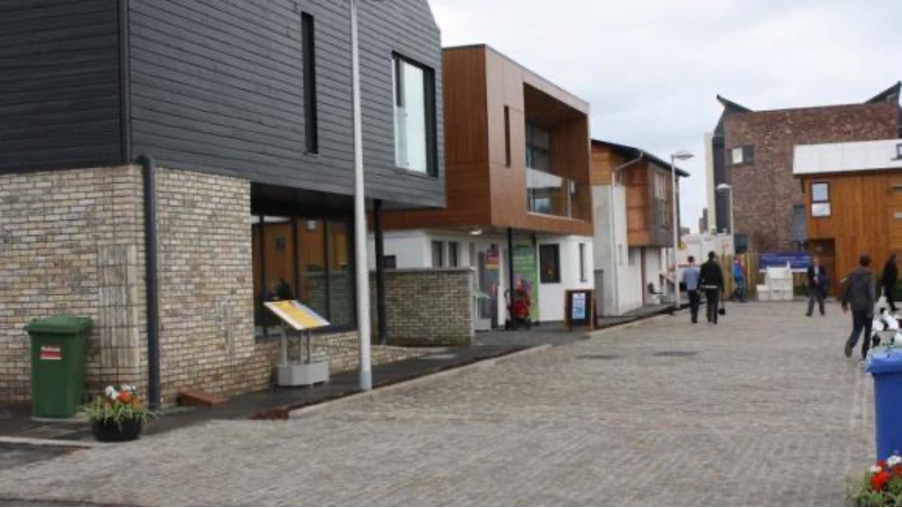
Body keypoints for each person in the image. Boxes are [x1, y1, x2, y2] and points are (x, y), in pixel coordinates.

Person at [841, 254, 876, 359]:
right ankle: (865, 352)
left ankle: (851, 343)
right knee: (868, 331)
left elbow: (846, 288)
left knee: (857, 328)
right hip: (867, 306)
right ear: (869, 263)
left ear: (859, 262)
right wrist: (871, 307)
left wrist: (844, 302)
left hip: (855, 306)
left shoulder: (852, 274)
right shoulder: (869, 275)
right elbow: (871, 293)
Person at [699, 251, 725, 325]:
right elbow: (720, 277)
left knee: (709, 302)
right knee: (715, 302)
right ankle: (715, 319)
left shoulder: (704, 265)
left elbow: (700, 277)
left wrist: (699, 287)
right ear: (713, 257)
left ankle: (709, 316)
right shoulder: (716, 265)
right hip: (715, 287)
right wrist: (723, 288)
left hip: (707, 287)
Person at [682, 255, 701, 324]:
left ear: (688, 261)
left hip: (689, 289)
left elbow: (684, 281)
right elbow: (699, 279)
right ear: (693, 260)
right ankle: (695, 317)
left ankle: (692, 315)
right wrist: (699, 288)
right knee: (696, 303)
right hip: (696, 289)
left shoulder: (685, 271)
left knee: (691, 303)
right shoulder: (696, 270)